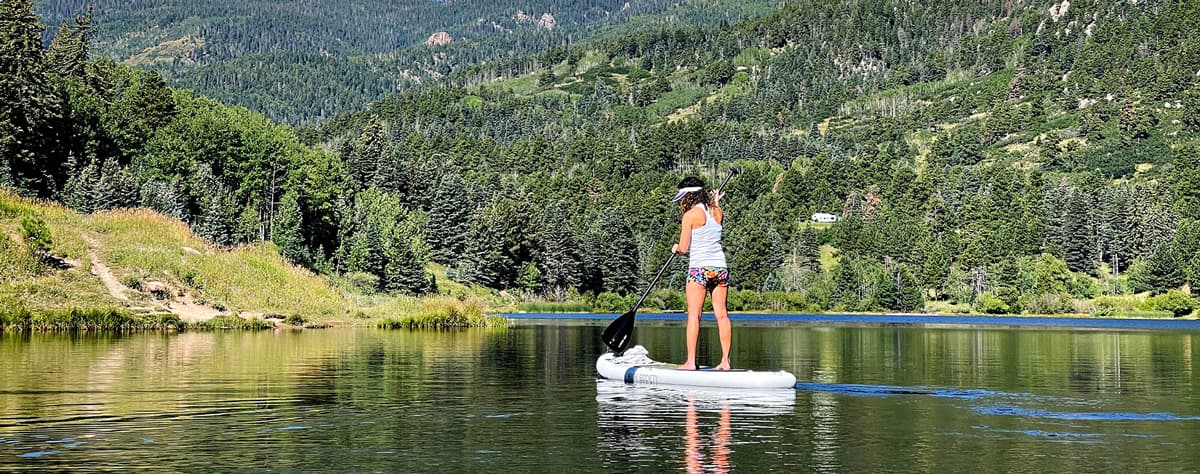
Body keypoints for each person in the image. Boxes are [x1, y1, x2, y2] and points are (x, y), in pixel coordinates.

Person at [669, 176, 731, 371]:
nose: (681, 201)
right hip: (720, 269)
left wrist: (675, 248)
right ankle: (725, 362)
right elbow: (712, 215)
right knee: (722, 315)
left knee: (694, 316)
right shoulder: (717, 211)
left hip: (699, 269)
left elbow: (684, 248)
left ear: (689, 196)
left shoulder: (690, 216)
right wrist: (716, 203)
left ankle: (690, 362)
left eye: (683, 197)